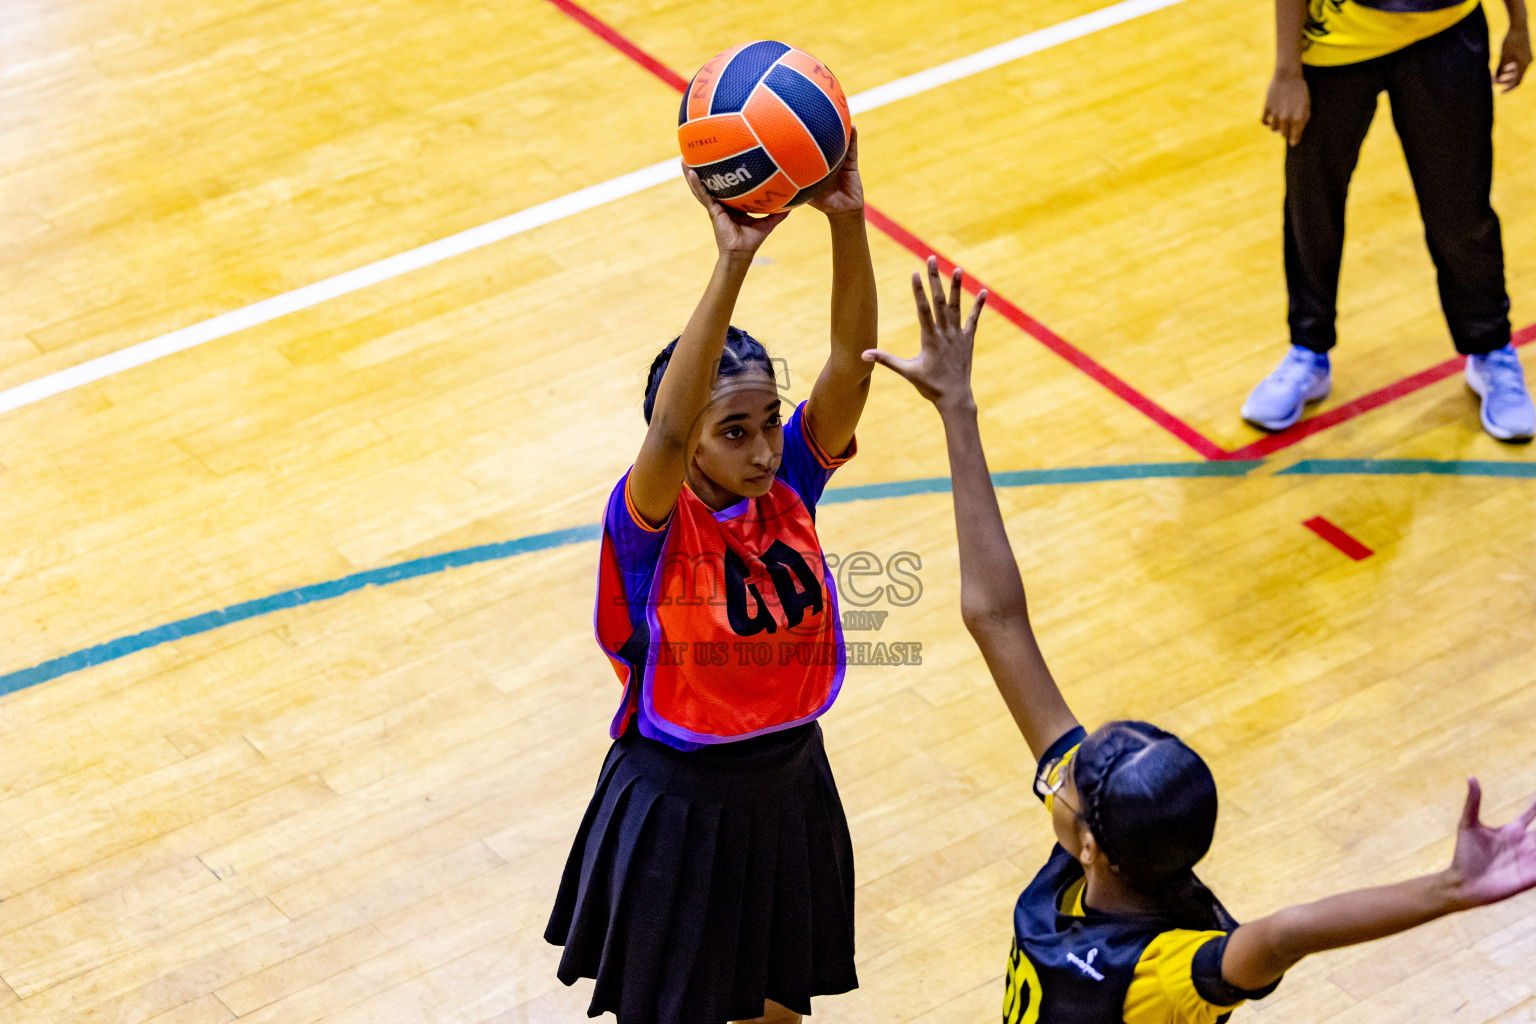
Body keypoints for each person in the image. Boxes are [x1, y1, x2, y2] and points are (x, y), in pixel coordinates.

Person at [867, 256, 1536, 1022]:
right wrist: (957, 408)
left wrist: (1452, 889)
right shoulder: (1112, 846)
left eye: (1075, 778)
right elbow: (995, 619)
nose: (1063, 767)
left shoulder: (1166, 972)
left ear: (1092, 845)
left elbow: (1287, 933)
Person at [545, 135, 876, 1024]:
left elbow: (849, 365)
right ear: (689, 436)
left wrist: (848, 220)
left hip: (791, 789)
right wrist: (732, 259)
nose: (765, 446)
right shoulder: (653, 523)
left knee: (778, 1016)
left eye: (770, 421)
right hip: (681, 807)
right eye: (734, 430)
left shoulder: (792, 485)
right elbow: (662, 435)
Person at [1244, 0, 1534, 441]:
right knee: (1313, 207)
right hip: (1337, 43)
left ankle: (1490, 348)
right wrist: (1287, 71)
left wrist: (1519, 22)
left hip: (1445, 34)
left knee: (1460, 208)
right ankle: (1308, 351)